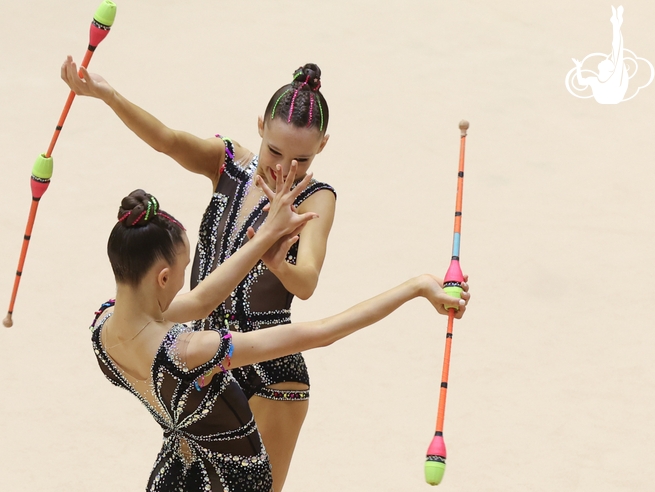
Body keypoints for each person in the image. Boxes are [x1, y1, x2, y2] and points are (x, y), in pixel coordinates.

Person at [90, 177, 470, 492]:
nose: (184, 283)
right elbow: (322, 332)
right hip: (230, 483)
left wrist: (265, 235)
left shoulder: (104, 327)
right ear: (162, 278)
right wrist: (415, 287)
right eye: (184, 268)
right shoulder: (191, 350)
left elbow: (202, 300)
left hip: (173, 477)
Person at [63, 57, 337, 489]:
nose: (284, 168)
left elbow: (307, 283)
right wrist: (108, 95)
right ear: (260, 126)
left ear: (322, 145)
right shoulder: (227, 162)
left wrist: (278, 263)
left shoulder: (316, 198)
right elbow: (167, 141)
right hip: (204, 351)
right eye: (274, 151)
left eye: (301, 159)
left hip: (270, 369)